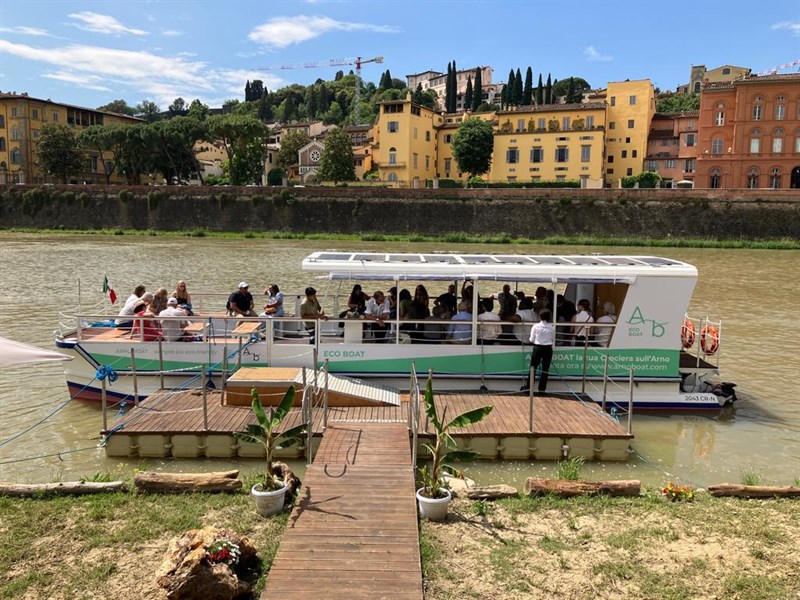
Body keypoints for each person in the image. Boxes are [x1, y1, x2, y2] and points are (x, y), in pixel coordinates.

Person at [525, 309, 554, 393]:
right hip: (548, 348)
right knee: (545, 369)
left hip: (537, 348)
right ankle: (542, 390)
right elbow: (552, 339)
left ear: (539, 317)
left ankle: (529, 389)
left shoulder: (535, 326)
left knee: (533, 368)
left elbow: (531, 339)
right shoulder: (551, 327)